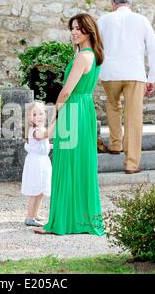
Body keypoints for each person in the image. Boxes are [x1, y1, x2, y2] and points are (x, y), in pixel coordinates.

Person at [35, 13, 104, 235]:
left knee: (65, 165)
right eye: (72, 28)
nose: (74, 32)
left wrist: (55, 115)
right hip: (84, 109)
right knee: (81, 165)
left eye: (79, 28)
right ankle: (79, 220)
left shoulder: (82, 57)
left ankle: (61, 222)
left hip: (73, 109)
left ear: (89, 31)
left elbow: (66, 91)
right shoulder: (94, 55)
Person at [97, 0, 155, 174]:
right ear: (130, 4)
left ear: (113, 3)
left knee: (113, 106)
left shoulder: (103, 19)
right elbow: (153, 50)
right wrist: (152, 77)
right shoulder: (142, 20)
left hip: (110, 72)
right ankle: (132, 163)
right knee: (133, 117)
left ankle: (116, 143)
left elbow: (95, 46)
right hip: (134, 73)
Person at [21, 101, 55, 227]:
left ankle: (35, 214)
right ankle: (29, 217)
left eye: (41, 113)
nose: (39, 116)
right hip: (36, 163)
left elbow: (42, 145)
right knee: (35, 190)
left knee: (40, 190)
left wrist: (50, 146)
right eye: (34, 114)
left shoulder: (40, 129)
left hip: (42, 161)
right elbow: (45, 135)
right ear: (29, 118)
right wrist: (55, 121)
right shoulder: (34, 131)